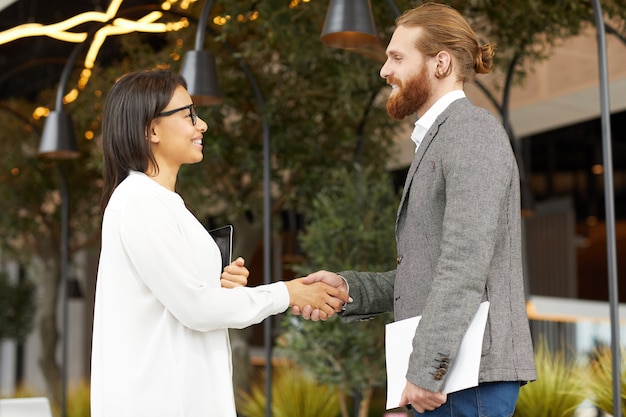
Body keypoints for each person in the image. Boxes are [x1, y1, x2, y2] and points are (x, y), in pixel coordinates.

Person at [295, 3, 536, 416]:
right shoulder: (442, 139)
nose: (384, 71)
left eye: (397, 57)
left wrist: (427, 370)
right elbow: (430, 272)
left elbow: (463, 266)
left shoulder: (471, 132)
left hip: (466, 378)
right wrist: (349, 289)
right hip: (453, 378)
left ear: (440, 62)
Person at [90, 69, 349, 417]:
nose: (203, 125)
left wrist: (221, 288)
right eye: (188, 115)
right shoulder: (139, 201)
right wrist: (288, 293)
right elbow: (196, 307)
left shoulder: (161, 203)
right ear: (151, 129)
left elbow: (189, 300)